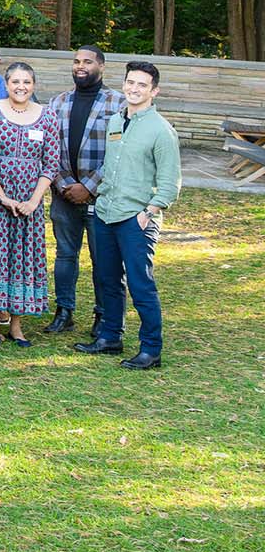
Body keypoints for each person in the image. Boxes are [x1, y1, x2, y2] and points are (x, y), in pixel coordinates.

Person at [74, 62, 178, 371]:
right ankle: (110, 337)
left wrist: (149, 212)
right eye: (130, 82)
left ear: (153, 91)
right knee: (107, 280)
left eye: (142, 85)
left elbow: (171, 183)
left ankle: (151, 349)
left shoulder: (161, 130)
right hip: (106, 212)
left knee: (140, 283)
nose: (134, 88)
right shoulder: (116, 121)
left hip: (136, 218)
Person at [0, 62, 57, 346]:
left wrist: (34, 201)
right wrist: (2, 197)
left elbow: (51, 163)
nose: (21, 87)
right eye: (15, 81)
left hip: (29, 203)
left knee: (23, 260)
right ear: (6, 84)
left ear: (34, 85)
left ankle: (17, 324)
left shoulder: (48, 117)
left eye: (26, 82)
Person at [43, 45, 128, 334]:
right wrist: (64, 184)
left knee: (102, 258)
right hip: (63, 193)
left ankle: (104, 315)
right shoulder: (58, 102)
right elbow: (48, 148)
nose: (81, 66)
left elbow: (122, 154)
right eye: (77, 61)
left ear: (101, 66)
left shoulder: (118, 103)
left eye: (88, 62)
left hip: (101, 198)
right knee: (65, 255)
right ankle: (64, 311)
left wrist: (89, 187)